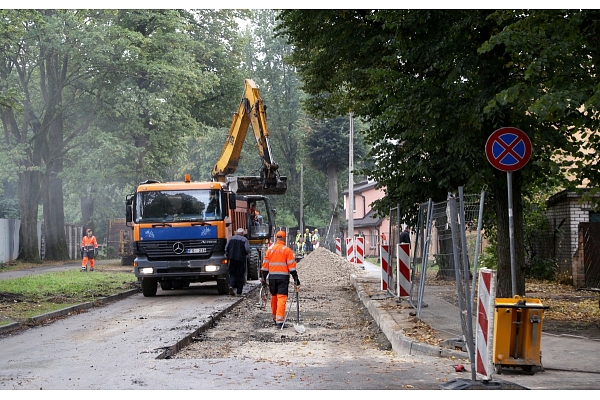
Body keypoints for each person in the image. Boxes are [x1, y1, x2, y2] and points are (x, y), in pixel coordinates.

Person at [260, 231, 300, 328]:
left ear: (276, 238)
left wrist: (263, 278)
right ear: (284, 239)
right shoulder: (287, 250)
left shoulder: (270, 250)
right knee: (281, 297)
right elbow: (291, 266)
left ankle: (275, 317)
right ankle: (279, 321)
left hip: (272, 277)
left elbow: (265, 266)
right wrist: (296, 278)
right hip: (283, 278)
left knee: (274, 296)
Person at [225, 228, 250, 296]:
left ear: (237, 233)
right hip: (241, 259)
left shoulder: (231, 239)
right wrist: (245, 254)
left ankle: (231, 285)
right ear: (242, 233)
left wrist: (228, 255)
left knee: (232, 273)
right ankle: (239, 292)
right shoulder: (244, 240)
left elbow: (226, 248)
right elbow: (247, 249)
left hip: (232, 259)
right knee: (240, 275)